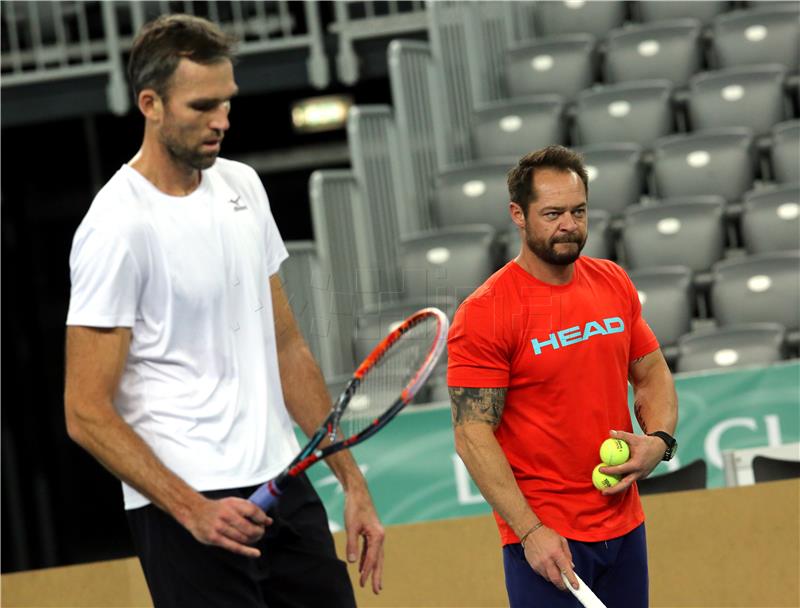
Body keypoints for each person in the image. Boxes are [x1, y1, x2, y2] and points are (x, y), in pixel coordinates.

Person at [63, 14, 383, 608]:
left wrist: (352, 482)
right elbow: (84, 411)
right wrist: (192, 510)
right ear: (150, 104)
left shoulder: (244, 188)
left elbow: (287, 346)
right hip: (188, 509)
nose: (222, 122)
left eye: (227, 103)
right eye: (202, 106)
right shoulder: (115, 227)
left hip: (281, 482)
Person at [447, 145, 678, 608]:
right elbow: (473, 434)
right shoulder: (486, 312)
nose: (568, 225)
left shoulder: (612, 281)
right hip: (547, 543)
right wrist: (530, 531)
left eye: (578, 211)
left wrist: (659, 441)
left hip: (625, 527)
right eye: (552, 213)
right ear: (518, 213)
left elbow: (652, 373)